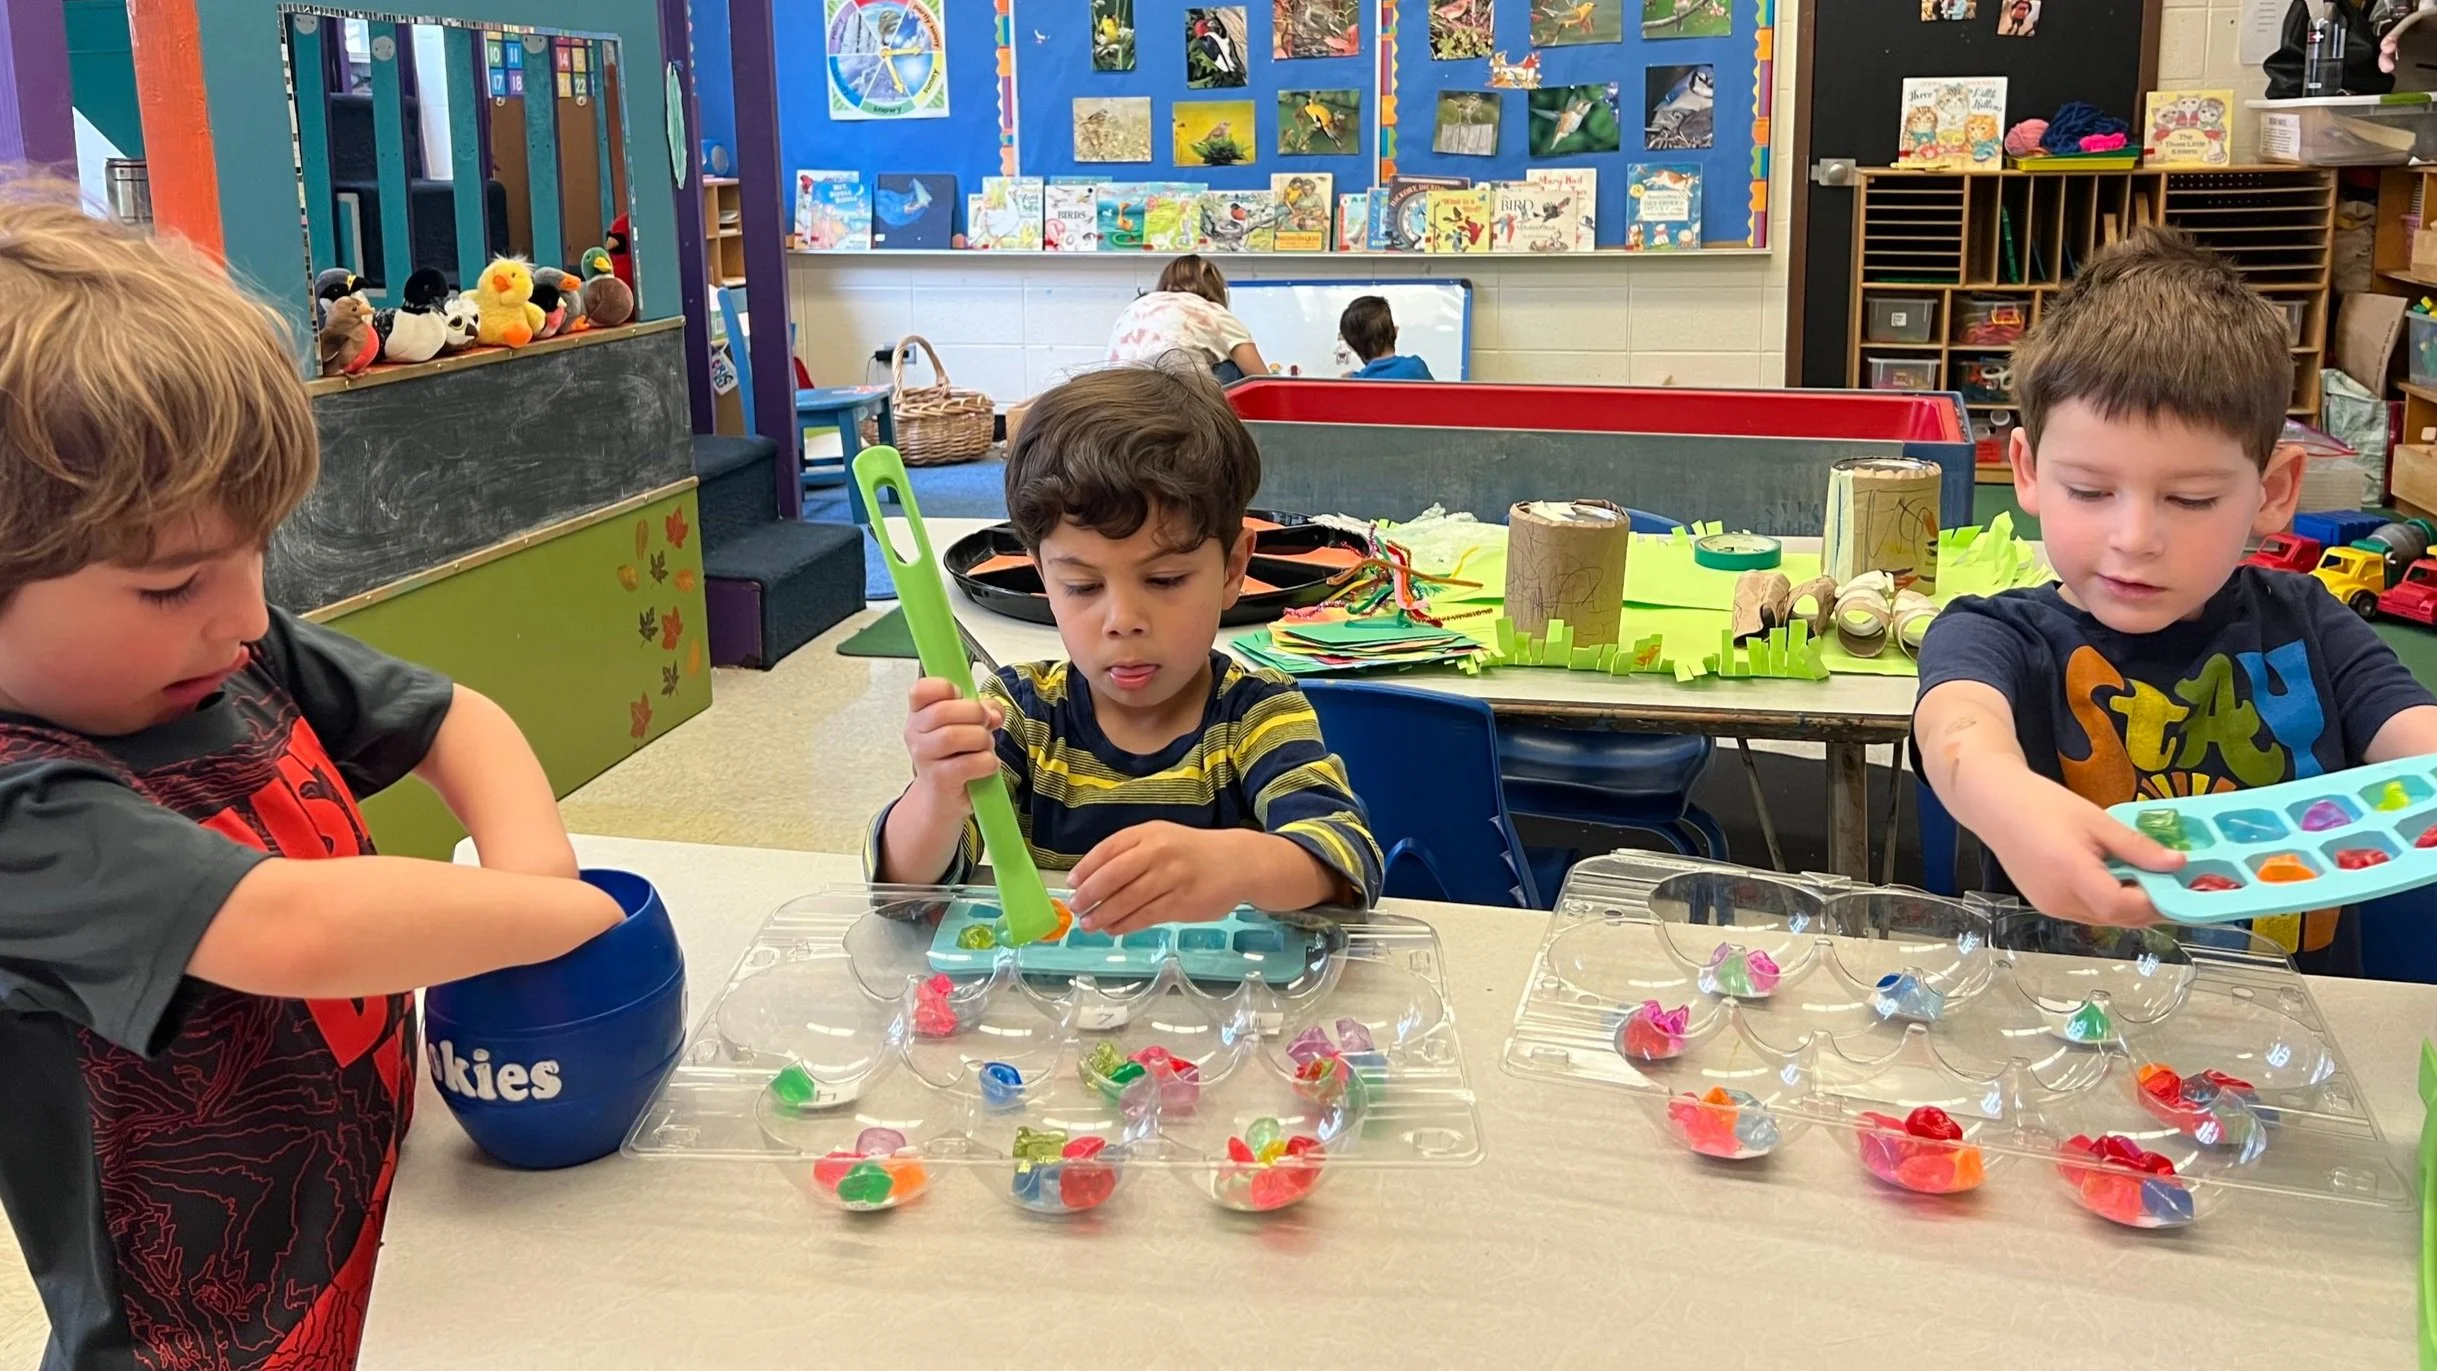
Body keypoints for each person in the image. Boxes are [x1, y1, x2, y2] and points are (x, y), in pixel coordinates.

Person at [0, 184, 623, 1368]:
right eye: (170, 585)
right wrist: (567, 918)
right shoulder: (20, 808)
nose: (244, 616)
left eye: (257, 554)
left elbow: (459, 721)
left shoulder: (222, 655)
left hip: (369, 1253)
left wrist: (533, 873)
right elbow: (291, 930)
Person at [1913, 226, 2437, 972]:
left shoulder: (2310, 621)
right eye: (2089, 491)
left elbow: (2417, 735)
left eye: (2190, 499)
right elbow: (1959, 732)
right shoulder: (1994, 634)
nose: (2134, 539)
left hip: (2289, 1022)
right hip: (2071, 1013)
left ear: (2272, 491)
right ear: (2026, 471)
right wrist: (2006, 800)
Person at [871, 363, 1382, 929]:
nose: (1123, 621)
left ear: (1233, 568)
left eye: (1164, 580)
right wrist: (936, 797)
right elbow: (904, 896)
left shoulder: (1257, 713)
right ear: (1042, 577)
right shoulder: (1021, 713)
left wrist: (1241, 863)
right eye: (1082, 586)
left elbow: (1346, 860)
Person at [1106, 254, 1270, 383]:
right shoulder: (1212, 311)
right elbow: (1261, 380)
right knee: (1233, 369)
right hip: (1176, 399)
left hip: (1118, 395)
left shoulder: (1135, 306)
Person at [1338, 295, 1434, 380]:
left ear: (1351, 346)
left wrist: (1350, 379)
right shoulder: (1416, 367)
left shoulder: (1357, 382)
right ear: (1395, 331)